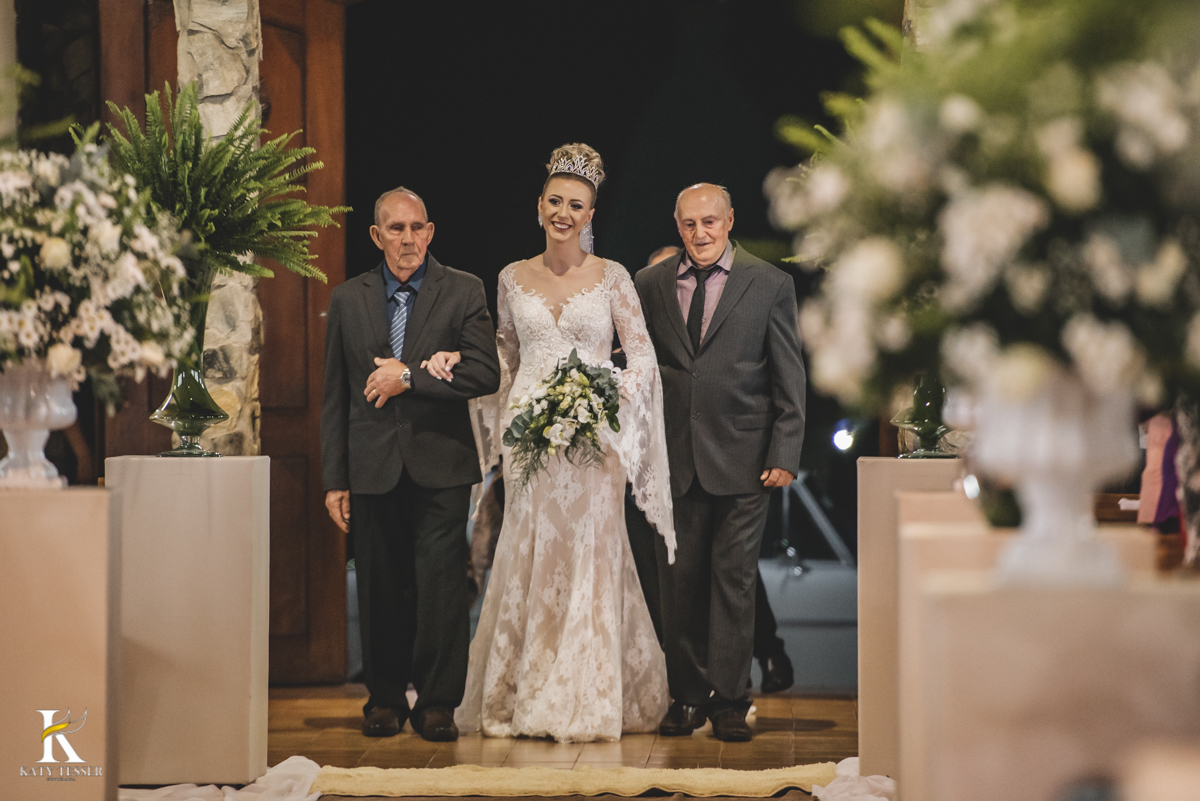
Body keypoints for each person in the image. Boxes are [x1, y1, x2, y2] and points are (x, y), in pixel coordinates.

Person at [430, 143, 675, 743]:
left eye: (577, 205)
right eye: (556, 201)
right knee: (530, 554)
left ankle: (586, 693)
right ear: (539, 206)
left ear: (590, 214)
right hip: (530, 439)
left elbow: (642, 359)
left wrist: (602, 396)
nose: (565, 212)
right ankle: (524, 690)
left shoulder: (613, 277)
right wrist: (473, 377)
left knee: (592, 555)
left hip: (595, 440)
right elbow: (506, 357)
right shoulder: (511, 277)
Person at [321, 187, 501, 742]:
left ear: (430, 231)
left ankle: (438, 702)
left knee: (441, 584)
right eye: (395, 229)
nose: (408, 239)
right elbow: (336, 395)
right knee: (379, 584)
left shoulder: (463, 289)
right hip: (371, 463)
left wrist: (411, 377)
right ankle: (383, 698)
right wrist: (335, 480)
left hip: (440, 463)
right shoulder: (350, 299)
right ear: (377, 236)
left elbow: (484, 374)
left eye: (417, 228)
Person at [635, 184, 806, 742]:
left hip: (745, 459)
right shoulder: (650, 284)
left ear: (730, 220)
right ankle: (686, 698)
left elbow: (789, 375)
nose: (700, 233)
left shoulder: (771, 283)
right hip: (673, 460)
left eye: (710, 221)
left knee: (733, 583)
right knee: (677, 586)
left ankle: (731, 700)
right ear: (677, 224)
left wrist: (785, 451)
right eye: (689, 224)